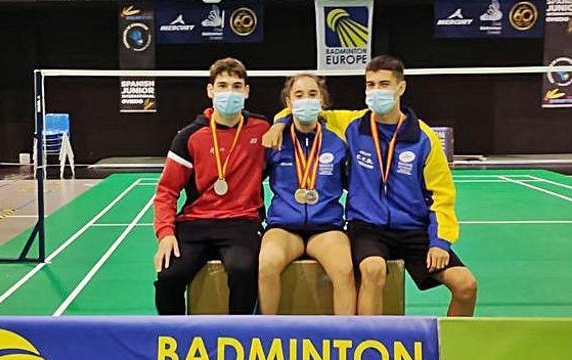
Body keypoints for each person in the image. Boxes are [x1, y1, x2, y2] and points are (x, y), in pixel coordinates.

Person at [264, 55, 478, 317]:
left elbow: (441, 196)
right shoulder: (351, 125)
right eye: (371, 85)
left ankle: (449, 349)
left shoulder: (424, 138)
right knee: (373, 270)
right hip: (368, 227)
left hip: (413, 230)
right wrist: (278, 123)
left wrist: (440, 242)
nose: (376, 91)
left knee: (466, 285)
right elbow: (303, 109)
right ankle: (369, 347)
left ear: (400, 88)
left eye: (384, 84)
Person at [153, 57, 270, 315]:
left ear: (246, 91)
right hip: (195, 222)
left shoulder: (263, 129)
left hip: (242, 221)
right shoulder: (189, 136)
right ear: (210, 91)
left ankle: (236, 338)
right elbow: (167, 192)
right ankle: (176, 340)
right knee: (169, 276)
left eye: (237, 86)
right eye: (223, 85)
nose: (230, 92)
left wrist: (283, 123)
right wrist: (165, 234)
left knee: (243, 271)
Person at [259, 73, 356, 315]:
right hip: (284, 227)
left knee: (344, 270)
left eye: (312, 94)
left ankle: (344, 339)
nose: (306, 100)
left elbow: (354, 184)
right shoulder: (275, 141)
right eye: (299, 95)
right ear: (289, 103)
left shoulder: (337, 142)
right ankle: (265, 336)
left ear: (322, 100)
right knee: (267, 264)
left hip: (326, 227)